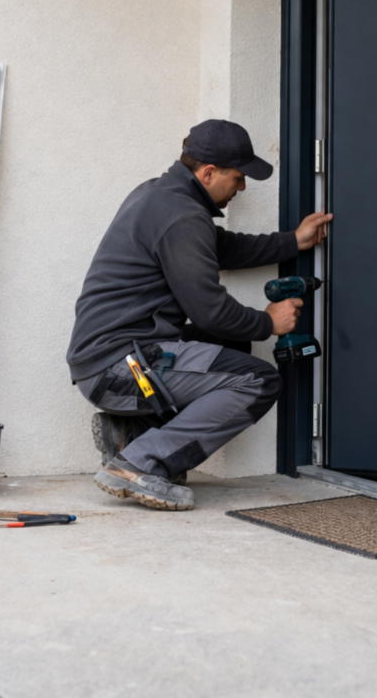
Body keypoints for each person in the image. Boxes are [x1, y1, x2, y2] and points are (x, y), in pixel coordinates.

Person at [66, 119, 332, 511]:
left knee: (229, 345)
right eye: (239, 177)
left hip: (111, 360)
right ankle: (141, 463)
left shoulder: (160, 196)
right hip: (122, 369)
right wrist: (268, 323)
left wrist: (292, 241)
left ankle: (131, 433)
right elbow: (210, 311)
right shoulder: (182, 216)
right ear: (208, 173)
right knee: (257, 381)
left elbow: (222, 249)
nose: (241, 188)